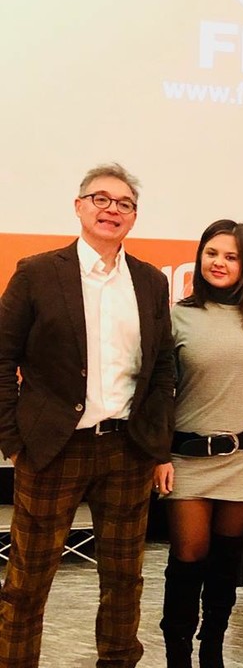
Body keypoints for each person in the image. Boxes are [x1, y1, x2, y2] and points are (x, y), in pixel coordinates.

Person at [0, 163, 175, 667]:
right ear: (79, 207)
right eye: (101, 199)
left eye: (124, 204)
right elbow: (3, 358)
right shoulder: (37, 273)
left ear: (134, 217)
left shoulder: (148, 281)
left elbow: (162, 366)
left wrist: (155, 443)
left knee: (124, 581)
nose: (111, 209)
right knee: (27, 583)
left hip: (127, 451)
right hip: (53, 449)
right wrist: (13, 440)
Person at [154, 220, 243, 668]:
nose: (219, 262)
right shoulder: (178, 315)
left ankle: (213, 649)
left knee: (227, 560)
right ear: (199, 257)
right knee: (189, 556)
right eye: (212, 253)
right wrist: (157, 453)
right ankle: (177, 653)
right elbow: (158, 390)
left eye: (231, 256)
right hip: (187, 457)